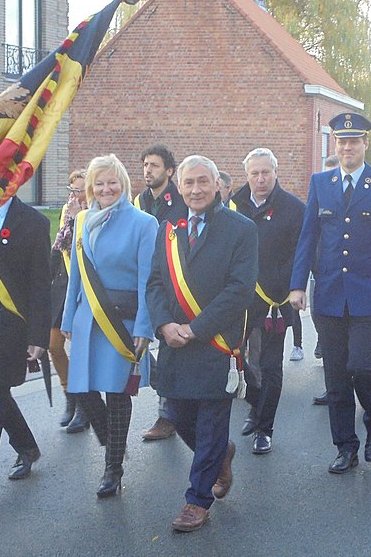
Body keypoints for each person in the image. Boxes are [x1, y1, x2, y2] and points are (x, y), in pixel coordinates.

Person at [289, 113, 371, 474]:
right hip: (328, 291)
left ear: (365, 144)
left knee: (360, 365)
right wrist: (297, 284)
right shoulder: (320, 182)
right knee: (336, 376)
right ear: (335, 145)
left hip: (367, 291)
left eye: (353, 141)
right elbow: (308, 235)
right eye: (341, 142)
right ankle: (345, 445)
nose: (346, 148)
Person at [146, 155, 257, 532]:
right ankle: (220, 456)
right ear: (179, 186)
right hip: (174, 343)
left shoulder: (240, 229)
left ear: (217, 186)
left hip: (215, 343)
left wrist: (196, 328)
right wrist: (163, 323)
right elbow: (155, 283)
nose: (195, 189)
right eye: (189, 183)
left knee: (210, 423)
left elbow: (239, 290)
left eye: (203, 182)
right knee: (178, 418)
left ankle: (197, 499)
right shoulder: (168, 229)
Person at [61, 155, 158, 498]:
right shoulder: (84, 218)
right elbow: (77, 273)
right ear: (90, 188)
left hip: (124, 322)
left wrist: (144, 328)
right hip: (88, 319)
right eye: (98, 183)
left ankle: (112, 468)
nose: (106, 189)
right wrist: (67, 318)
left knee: (117, 396)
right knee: (83, 390)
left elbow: (149, 280)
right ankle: (113, 442)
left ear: (123, 183)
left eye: (112, 182)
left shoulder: (144, 224)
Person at [230, 148, 305, 454]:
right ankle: (255, 403)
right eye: (254, 174)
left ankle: (265, 427)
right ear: (246, 175)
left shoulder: (293, 208)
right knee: (233, 354)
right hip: (241, 298)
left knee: (271, 365)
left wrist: (289, 286)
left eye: (265, 173)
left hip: (276, 298)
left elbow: (300, 254)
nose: (260, 179)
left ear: (276, 172)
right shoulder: (234, 204)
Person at [0, 193, 52, 490]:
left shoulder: (34, 223)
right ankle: (26, 446)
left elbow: (40, 284)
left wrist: (38, 335)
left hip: (12, 327)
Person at [133, 145, 187, 442]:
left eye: (154, 165)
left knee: (168, 349)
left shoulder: (180, 201)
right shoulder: (139, 201)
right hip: (144, 280)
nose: (147, 170)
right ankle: (170, 401)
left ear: (169, 171)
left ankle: (167, 416)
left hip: (173, 284)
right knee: (144, 344)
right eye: (145, 165)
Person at [50, 169, 90, 432]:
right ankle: (69, 396)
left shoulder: (93, 214)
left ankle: (85, 407)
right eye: (72, 190)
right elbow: (58, 246)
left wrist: (77, 219)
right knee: (53, 344)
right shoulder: (67, 212)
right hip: (62, 284)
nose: (74, 195)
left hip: (84, 288)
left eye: (80, 190)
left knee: (79, 350)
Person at [311, 154, 339, 406]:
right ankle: (334, 389)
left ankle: (348, 387)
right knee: (330, 345)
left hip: (353, 282)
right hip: (321, 278)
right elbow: (308, 236)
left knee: (356, 356)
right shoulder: (318, 189)